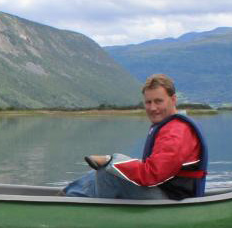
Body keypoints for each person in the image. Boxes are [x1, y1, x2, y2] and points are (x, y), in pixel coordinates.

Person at [62, 74, 207, 200]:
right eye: (148, 102)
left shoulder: (175, 132)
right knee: (100, 172)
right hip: (167, 192)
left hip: (173, 200)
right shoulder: (172, 125)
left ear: (173, 99)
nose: (152, 108)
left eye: (158, 101)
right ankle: (66, 198)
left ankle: (91, 214)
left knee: (108, 173)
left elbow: (152, 173)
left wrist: (110, 160)